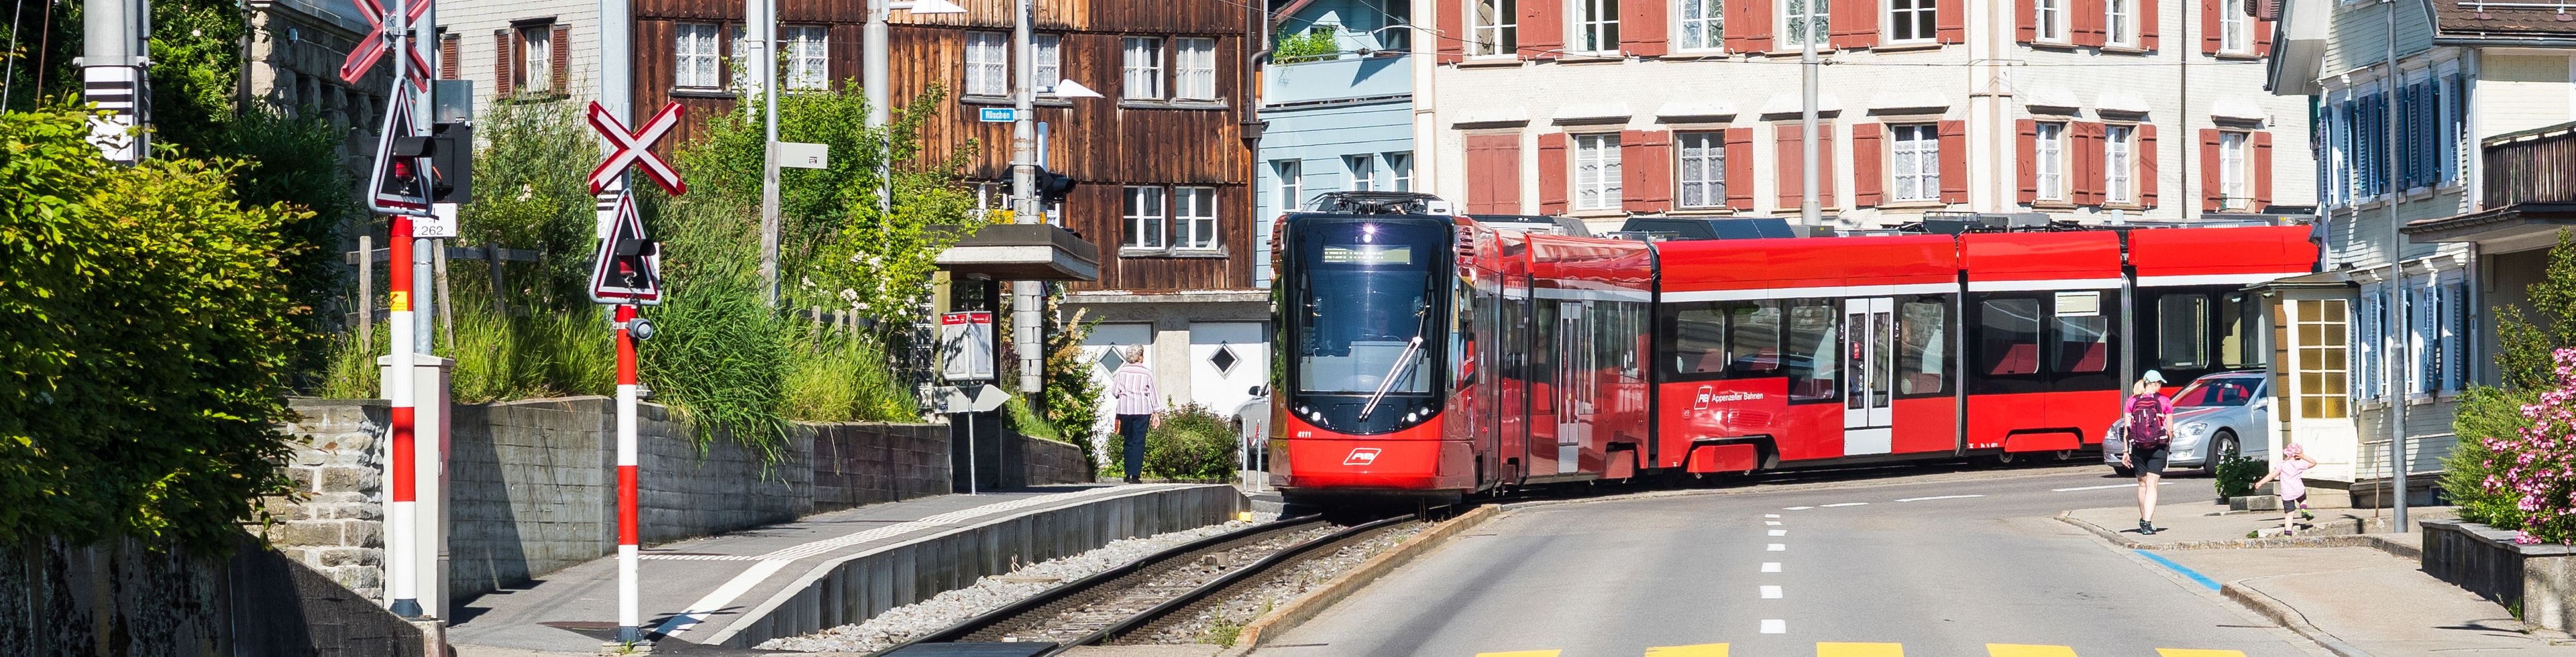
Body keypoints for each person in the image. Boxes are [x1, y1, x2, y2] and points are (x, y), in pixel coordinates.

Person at [2120, 370, 2176, 535]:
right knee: (2152, 485)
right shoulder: (2165, 401)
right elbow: (2171, 430)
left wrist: (2126, 452)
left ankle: (2143, 520)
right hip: (2158, 447)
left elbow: (2127, 430)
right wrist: (2167, 446)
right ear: (2156, 384)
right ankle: (2147, 521)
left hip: (2138, 448)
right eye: (2159, 383)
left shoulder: (2132, 401)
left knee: (2142, 485)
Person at [1110, 346, 1157, 484]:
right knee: (1139, 441)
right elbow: (1153, 393)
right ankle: (1134, 475)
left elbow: (1114, 391)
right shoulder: (1147, 373)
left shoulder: (1121, 372)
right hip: (1142, 410)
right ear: (1140, 356)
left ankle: (1127, 473)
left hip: (1125, 410)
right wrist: (1156, 412)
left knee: (1128, 441)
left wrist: (1123, 394)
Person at [2252, 443, 2320, 536]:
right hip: (2298, 490)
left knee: (2289, 514)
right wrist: (2304, 457)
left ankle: (2288, 533)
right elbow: (2314, 463)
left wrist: (2260, 483)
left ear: (2287, 454)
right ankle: (2303, 509)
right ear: (2298, 455)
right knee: (2303, 498)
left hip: (2287, 493)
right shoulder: (2300, 463)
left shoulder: (2282, 465)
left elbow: (2272, 475)